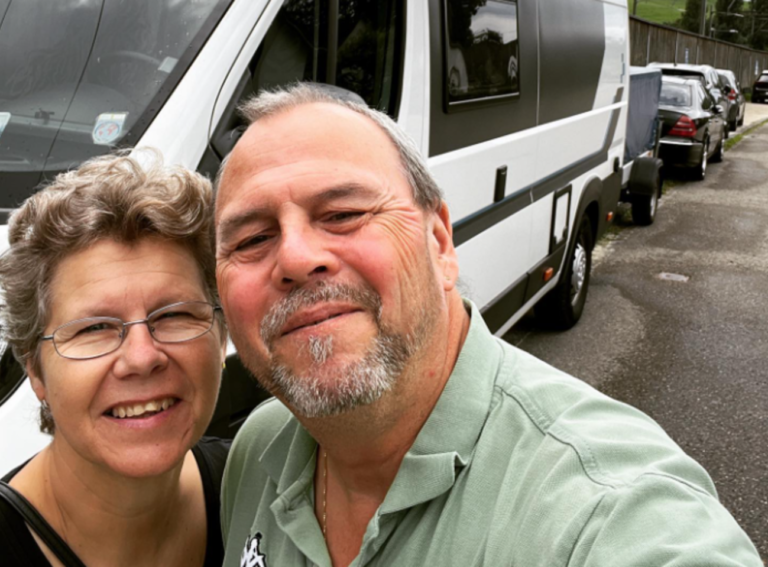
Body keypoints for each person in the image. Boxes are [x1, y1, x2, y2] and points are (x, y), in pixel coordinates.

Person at [215, 84, 762, 567]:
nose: (294, 258)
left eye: (342, 214)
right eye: (251, 240)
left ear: (440, 243)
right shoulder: (257, 452)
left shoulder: (603, 508)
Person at [0, 152, 229, 567]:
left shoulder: (259, 491)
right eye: (94, 328)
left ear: (221, 335)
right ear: (34, 369)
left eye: (174, 314)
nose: (142, 357)